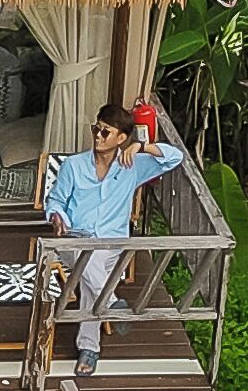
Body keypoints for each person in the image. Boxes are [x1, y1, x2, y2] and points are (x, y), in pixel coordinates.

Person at [41, 101, 188, 374]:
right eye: (97, 129)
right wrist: (56, 216)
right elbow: (55, 201)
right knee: (88, 264)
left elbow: (174, 157)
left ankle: (94, 337)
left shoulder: (131, 166)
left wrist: (141, 146)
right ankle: (101, 325)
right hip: (74, 238)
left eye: (106, 132)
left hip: (110, 244)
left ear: (121, 138)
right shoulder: (74, 166)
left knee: (89, 274)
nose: (98, 136)